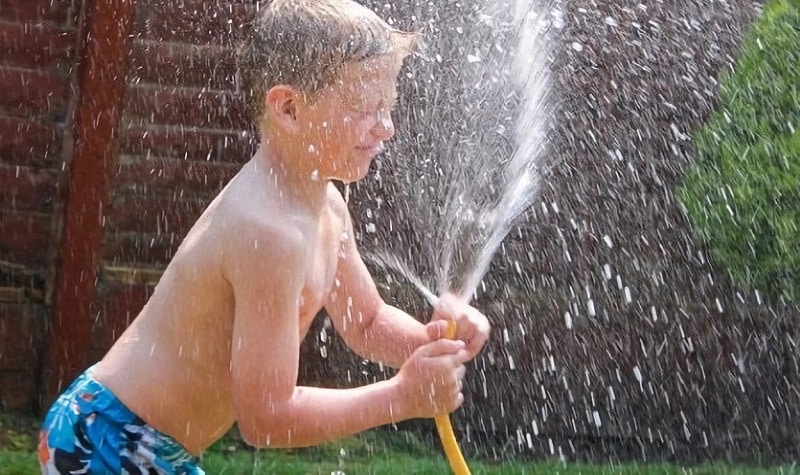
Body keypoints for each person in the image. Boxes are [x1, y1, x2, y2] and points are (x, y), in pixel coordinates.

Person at [38, 0, 491, 473]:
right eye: (364, 109)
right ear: (289, 109)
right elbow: (267, 419)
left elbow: (368, 322)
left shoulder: (327, 206)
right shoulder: (267, 232)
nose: (386, 127)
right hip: (109, 438)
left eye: (388, 107)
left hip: (151, 443)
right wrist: (400, 397)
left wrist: (436, 342)